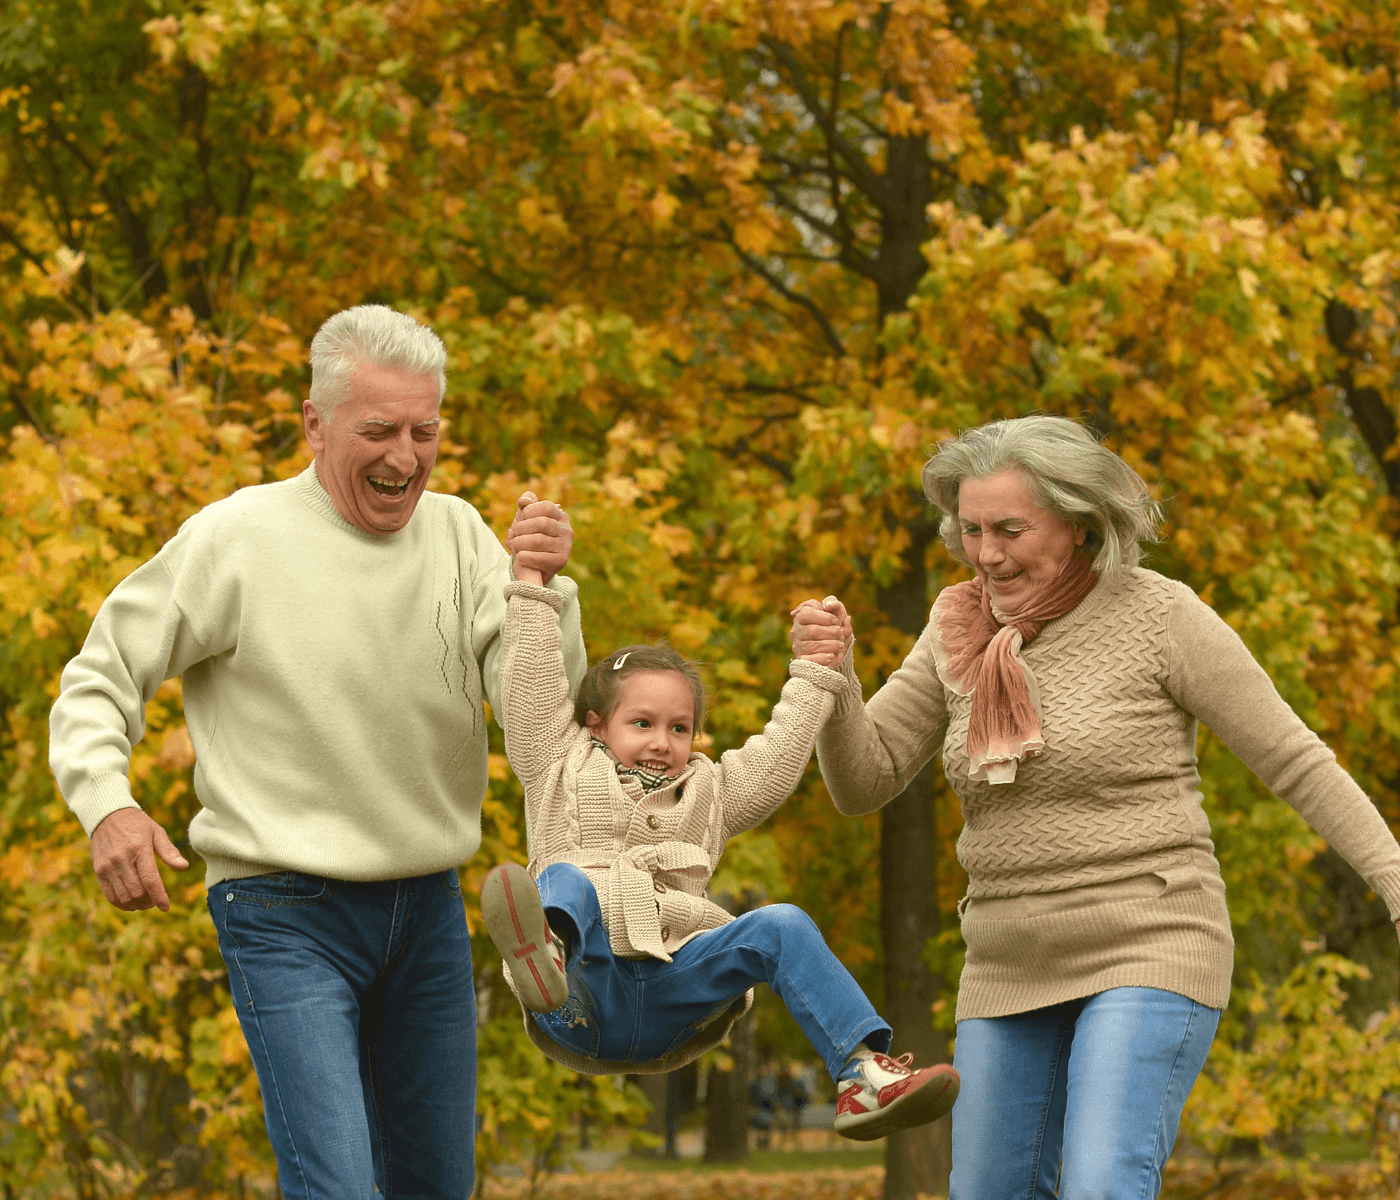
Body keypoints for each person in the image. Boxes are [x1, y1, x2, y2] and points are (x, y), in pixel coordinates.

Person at [47, 306, 585, 1200]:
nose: (404, 458)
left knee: (435, 1187)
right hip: (282, 911)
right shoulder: (236, 538)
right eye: (378, 431)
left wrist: (542, 593)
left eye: (425, 431)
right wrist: (108, 803)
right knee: (337, 1186)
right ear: (314, 424)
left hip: (426, 912)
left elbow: (539, 716)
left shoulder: (460, 536)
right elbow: (99, 678)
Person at [790, 414, 1400, 1199]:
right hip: (1008, 959)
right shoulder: (956, 626)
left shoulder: (1161, 615)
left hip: (1147, 938)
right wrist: (835, 686)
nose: (986, 554)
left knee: (1103, 1182)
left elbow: (1295, 759)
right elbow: (863, 783)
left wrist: (1392, 876)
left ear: (1078, 522)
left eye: (1010, 529)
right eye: (971, 530)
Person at [477, 552, 960, 1142]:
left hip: (675, 993)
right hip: (583, 997)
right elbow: (530, 682)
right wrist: (530, 583)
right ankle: (547, 956)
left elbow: (780, 753)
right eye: (642, 723)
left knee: (782, 923)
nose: (662, 741)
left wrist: (815, 670)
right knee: (566, 881)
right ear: (597, 723)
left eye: (679, 728)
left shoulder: (711, 792)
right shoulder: (557, 761)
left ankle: (861, 1075)